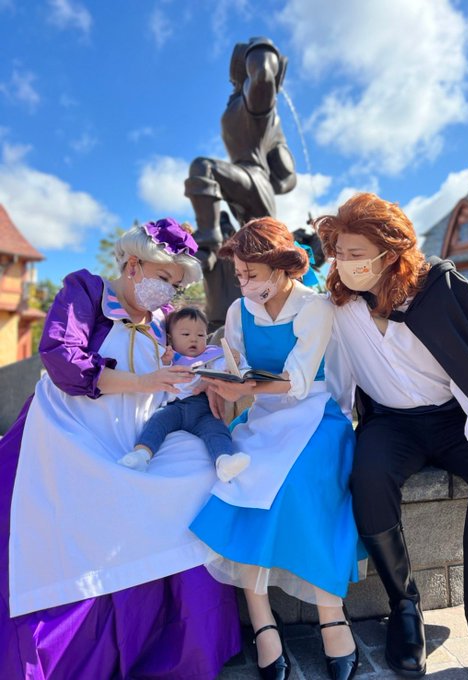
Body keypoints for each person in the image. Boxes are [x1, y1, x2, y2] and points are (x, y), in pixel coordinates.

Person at [0, 218, 241, 679]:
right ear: (133, 265)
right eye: (164, 278)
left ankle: (180, 639)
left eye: (175, 285)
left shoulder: (163, 321)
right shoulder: (87, 292)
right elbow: (62, 359)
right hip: (72, 429)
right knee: (74, 515)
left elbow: (180, 371)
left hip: (136, 434)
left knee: (199, 472)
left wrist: (204, 384)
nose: (169, 292)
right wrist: (145, 381)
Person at [316, 192, 468, 678]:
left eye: (356, 253)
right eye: (339, 252)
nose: (344, 262)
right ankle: (404, 606)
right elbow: (328, 374)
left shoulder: (437, 291)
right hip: (391, 423)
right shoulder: (337, 306)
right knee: (368, 478)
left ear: (390, 253)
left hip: (455, 418)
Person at [190, 217, 363, 680]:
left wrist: (242, 388)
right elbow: (234, 361)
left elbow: (299, 381)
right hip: (263, 417)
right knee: (239, 477)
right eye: (238, 274)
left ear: (281, 266)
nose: (243, 283)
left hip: (316, 414)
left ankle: (331, 614)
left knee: (308, 482)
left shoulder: (315, 306)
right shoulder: (238, 310)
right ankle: (261, 617)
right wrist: (218, 382)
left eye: (251, 274)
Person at [184, 36, 297, 329]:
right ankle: (256, 303)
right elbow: (287, 180)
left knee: (203, 167)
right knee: (250, 251)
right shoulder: (245, 107)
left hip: (254, 179)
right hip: (251, 184)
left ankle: (208, 243)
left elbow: (262, 74)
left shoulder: (258, 107)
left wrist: (262, 50)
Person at [117, 305, 251, 481]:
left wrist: (235, 360)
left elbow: (226, 368)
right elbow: (157, 374)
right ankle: (141, 454)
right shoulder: (168, 356)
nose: (193, 339)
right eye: (186, 334)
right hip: (174, 406)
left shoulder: (211, 356)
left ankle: (224, 461)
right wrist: (165, 362)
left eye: (200, 335)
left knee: (217, 430)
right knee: (157, 422)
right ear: (171, 338)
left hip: (203, 409)